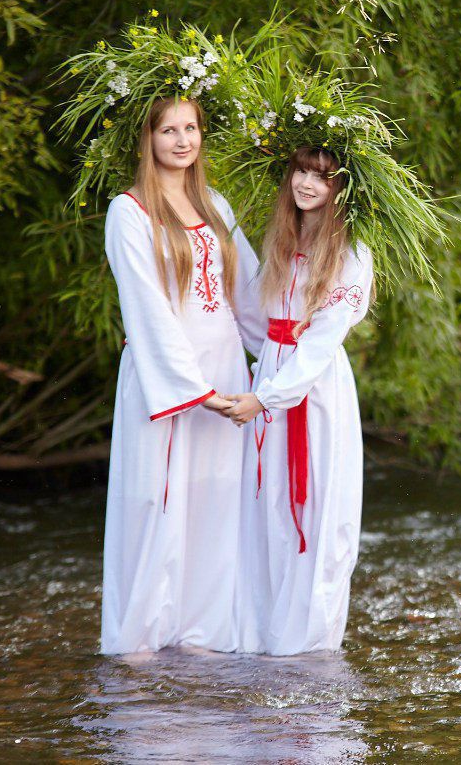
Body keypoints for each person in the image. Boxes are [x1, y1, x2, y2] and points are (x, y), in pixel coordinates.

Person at [101, 97, 265, 655]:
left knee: (216, 499)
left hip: (223, 364)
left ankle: (202, 632)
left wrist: (280, 358)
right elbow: (144, 306)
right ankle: (142, 638)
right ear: (146, 139)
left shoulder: (215, 204)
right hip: (166, 374)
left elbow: (246, 293)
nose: (181, 140)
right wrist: (197, 392)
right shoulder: (129, 210)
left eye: (190, 127)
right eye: (168, 129)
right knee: (157, 498)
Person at [223, 146, 373, 655]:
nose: (307, 183)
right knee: (265, 509)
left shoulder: (352, 253)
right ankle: (261, 637)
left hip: (315, 390)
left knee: (317, 513)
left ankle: (308, 647)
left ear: (341, 189)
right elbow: (254, 315)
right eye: (301, 172)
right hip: (271, 374)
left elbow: (322, 340)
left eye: (322, 177)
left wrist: (265, 399)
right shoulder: (282, 243)